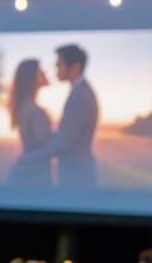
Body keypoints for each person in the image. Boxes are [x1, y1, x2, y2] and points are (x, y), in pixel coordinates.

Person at [20, 43, 99, 186]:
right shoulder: (79, 91)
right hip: (75, 173)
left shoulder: (81, 95)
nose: (55, 70)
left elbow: (63, 142)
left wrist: (28, 158)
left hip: (77, 176)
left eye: (59, 65)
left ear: (75, 67)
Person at [5, 58, 53, 185]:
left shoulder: (23, 107)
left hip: (28, 170)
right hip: (35, 174)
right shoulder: (35, 111)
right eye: (40, 71)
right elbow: (47, 143)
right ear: (32, 77)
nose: (45, 73)